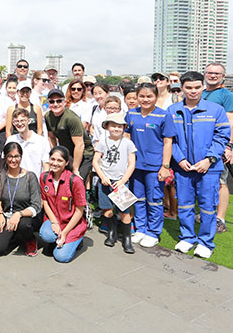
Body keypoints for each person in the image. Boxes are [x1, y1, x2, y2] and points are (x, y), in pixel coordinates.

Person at [168, 71, 230, 259]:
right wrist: (179, 159)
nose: (193, 91)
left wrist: (209, 159)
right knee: (185, 204)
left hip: (209, 168)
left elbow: (222, 137)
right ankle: (187, 237)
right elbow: (170, 140)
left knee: (208, 206)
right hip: (183, 167)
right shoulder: (173, 110)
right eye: (189, 88)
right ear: (182, 88)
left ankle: (205, 242)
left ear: (203, 87)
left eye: (197, 87)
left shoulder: (215, 110)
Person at [125, 83, 176, 248]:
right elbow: (126, 136)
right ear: (137, 97)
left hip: (154, 166)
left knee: (154, 199)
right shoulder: (131, 114)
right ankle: (140, 229)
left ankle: (153, 232)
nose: (145, 100)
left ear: (156, 97)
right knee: (138, 198)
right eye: (142, 96)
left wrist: (165, 166)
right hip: (135, 165)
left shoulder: (163, 116)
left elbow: (168, 143)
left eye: (149, 96)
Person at [92, 113, 136, 254]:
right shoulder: (103, 142)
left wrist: (123, 180)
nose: (116, 129)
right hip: (106, 181)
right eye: (113, 126)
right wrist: (102, 176)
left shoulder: (128, 143)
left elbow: (131, 164)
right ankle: (112, 233)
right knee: (108, 210)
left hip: (121, 182)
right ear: (107, 127)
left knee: (125, 211)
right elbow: (96, 161)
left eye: (119, 126)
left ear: (123, 128)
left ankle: (127, 239)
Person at [201, 63, 233, 234]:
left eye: (217, 73)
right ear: (204, 74)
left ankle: (220, 218)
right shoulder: (199, 92)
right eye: (210, 72)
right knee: (201, 181)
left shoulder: (227, 95)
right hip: (200, 145)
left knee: (221, 182)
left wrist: (228, 146)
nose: (213, 75)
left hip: (218, 145)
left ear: (223, 76)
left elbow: (231, 122)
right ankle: (203, 213)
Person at [0, 142, 42, 257]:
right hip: (7, 215)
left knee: (24, 225)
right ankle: (16, 236)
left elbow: (37, 205)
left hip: (26, 216)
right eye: (10, 156)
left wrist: (19, 214)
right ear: (5, 157)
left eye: (16, 156)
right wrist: (0, 214)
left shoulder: (30, 177)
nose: (13, 160)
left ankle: (30, 239)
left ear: (21, 157)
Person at [39, 146, 87, 263]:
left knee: (61, 257)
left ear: (66, 163)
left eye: (59, 160)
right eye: (52, 159)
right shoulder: (44, 177)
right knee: (45, 235)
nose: (55, 163)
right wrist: (54, 222)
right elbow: (45, 201)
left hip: (72, 223)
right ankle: (55, 240)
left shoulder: (75, 181)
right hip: (54, 219)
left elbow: (79, 210)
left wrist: (65, 232)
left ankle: (76, 240)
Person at [44, 89, 94, 179]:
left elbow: (80, 145)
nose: (55, 104)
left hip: (84, 153)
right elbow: (51, 137)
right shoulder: (48, 116)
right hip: (67, 152)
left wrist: (75, 169)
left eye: (59, 101)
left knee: (77, 181)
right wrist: (56, 154)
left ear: (64, 102)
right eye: (52, 101)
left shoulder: (71, 118)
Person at [6, 108, 50, 176]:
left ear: (29, 121)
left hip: (36, 182)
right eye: (16, 121)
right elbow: (6, 163)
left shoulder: (42, 141)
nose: (19, 124)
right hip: (16, 182)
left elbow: (46, 165)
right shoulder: (10, 140)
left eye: (22, 120)